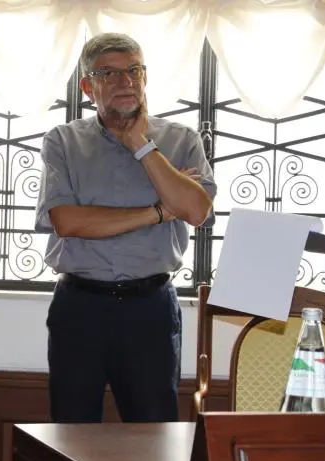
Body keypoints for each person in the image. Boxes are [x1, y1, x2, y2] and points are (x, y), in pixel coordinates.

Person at [35, 33, 217, 424]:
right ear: (88, 87)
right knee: (71, 434)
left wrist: (143, 145)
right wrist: (156, 211)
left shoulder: (180, 140)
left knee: (155, 436)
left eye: (134, 70)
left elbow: (196, 211)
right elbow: (67, 221)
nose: (126, 82)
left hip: (149, 308)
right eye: (110, 73)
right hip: (79, 307)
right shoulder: (63, 142)